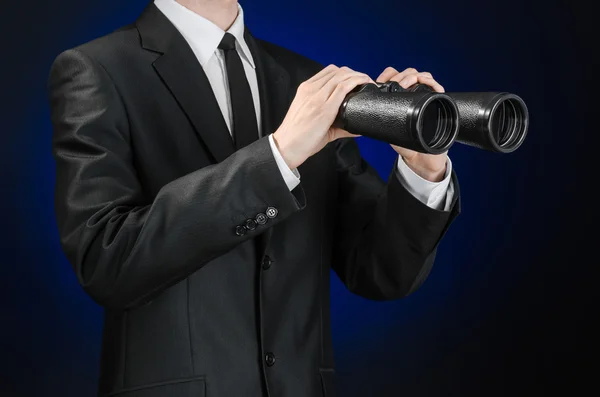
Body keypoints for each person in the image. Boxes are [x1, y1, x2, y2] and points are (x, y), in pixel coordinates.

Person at [47, 0, 460, 396]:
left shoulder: (309, 81)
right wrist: (278, 154)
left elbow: (379, 271)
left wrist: (424, 172)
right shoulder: (96, 68)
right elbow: (106, 259)